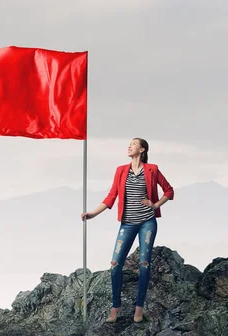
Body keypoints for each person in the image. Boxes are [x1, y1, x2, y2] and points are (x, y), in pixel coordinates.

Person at [80, 138, 174, 323]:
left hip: (147, 222)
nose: (129, 146)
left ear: (142, 149)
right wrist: (92, 214)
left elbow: (169, 191)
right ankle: (116, 308)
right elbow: (111, 196)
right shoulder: (121, 170)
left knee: (144, 264)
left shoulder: (152, 169)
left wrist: (155, 204)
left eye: (133, 144)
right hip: (127, 223)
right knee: (115, 265)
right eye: (129, 144)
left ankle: (138, 309)